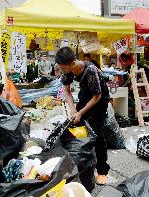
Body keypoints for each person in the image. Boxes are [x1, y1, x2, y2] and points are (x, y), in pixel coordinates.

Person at [56, 47, 110, 185]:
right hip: (85, 97)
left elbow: (97, 96)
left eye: (63, 68)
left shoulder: (90, 70)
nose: (62, 71)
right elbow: (66, 91)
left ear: (73, 63)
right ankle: (83, 165)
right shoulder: (68, 71)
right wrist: (74, 110)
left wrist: (81, 112)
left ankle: (103, 171)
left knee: (97, 135)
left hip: (99, 101)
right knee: (76, 131)